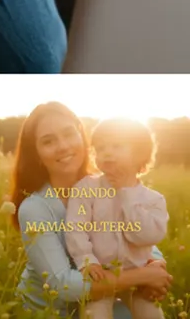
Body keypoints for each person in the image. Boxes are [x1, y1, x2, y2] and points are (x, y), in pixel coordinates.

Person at [11, 103, 172, 316]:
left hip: (103, 295)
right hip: (51, 311)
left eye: (69, 134)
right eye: (48, 141)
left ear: (82, 136)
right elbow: (62, 285)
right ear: (37, 154)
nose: (63, 146)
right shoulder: (35, 209)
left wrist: (156, 263)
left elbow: (130, 232)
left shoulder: (109, 184)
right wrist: (144, 276)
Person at [64, 118, 168, 319]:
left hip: (138, 279)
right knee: (95, 314)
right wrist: (87, 261)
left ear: (139, 154)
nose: (107, 153)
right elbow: (76, 228)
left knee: (152, 314)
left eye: (117, 146)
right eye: (100, 148)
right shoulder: (86, 189)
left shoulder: (153, 200)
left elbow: (146, 236)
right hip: (101, 275)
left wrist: (126, 193)